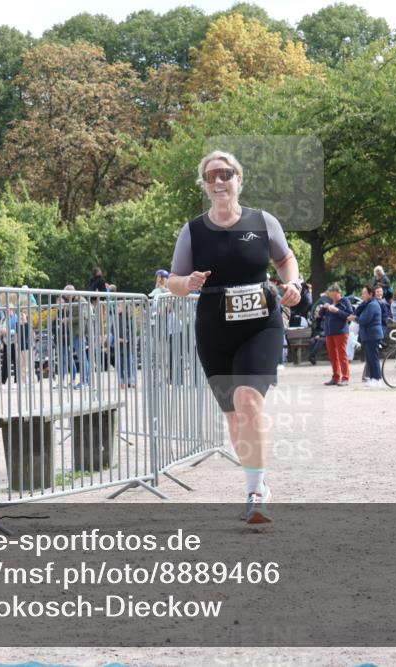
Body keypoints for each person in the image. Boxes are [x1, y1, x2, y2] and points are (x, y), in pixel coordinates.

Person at [167, 150, 301, 524]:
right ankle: (258, 482)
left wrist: (293, 283)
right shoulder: (192, 230)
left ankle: (255, 492)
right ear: (205, 185)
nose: (219, 180)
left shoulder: (262, 221)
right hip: (213, 328)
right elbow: (173, 282)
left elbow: (285, 258)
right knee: (233, 418)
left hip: (261, 323)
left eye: (226, 173)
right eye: (211, 176)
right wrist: (186, 283)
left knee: (248, 400)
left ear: (238, 179)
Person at [353, 285, 384, 387]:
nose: (362, 295)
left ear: (371, 294)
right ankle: (372, 377)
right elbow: (357, 312)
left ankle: (377, 378)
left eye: (364, 293)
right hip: (367, 335)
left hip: (373, 334)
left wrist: (355, 319)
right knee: (369, 358)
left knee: (373, 358)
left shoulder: (372, 305)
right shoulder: (367, 304)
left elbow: (364, 319)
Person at [321, 284, 353, 385]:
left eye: (334, 295)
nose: (333, 298)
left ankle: (345, 378)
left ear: (339, 293)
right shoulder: (330, 301)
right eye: (331, 295)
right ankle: (336, 377)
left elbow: (349, 315)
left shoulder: (345, 301)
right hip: (329, 333)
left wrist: (337, 310)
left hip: (341, 332)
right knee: (332, 356)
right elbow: (320, 315)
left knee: (342, 355)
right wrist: (323, 308)